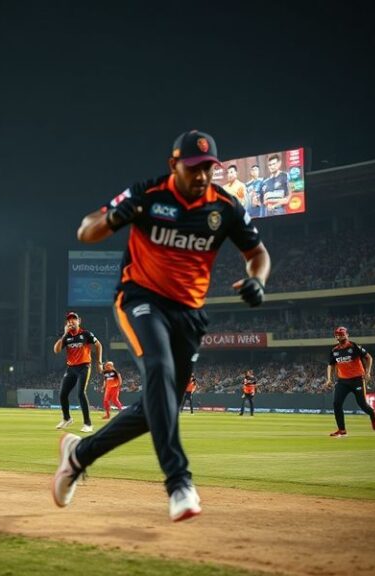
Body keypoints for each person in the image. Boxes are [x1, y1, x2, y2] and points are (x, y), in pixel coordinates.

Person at [52, 129, 270, 522]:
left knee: (159, 404)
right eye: (193, 167)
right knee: (159, 370)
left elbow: (258, 254)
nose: (202, 175)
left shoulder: (225, 206)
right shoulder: (148, 195)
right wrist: (113, 218)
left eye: (208, 168)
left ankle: (79, 455)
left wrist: (257, 279)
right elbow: (87, 229)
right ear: (174, 165)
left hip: (188, 312)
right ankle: (179, 482)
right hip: (140, 299)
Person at [53, 311, 104, 433]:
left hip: (84, 367)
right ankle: (67, 418)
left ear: (79, 321)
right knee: (62, 394)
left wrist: (99, 362)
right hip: (71, 368)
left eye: (74, 319)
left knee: (81, 393)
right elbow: (56, 350)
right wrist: (64, 334)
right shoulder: (67, 336)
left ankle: (88, 424)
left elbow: (98, 345)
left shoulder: (85, 334)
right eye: (69, 320)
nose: (71, 321)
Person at [325, 326, 375, 437]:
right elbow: (331, 365)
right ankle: (342, 430)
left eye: (342, 334)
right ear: (336, 337)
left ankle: (372, 414)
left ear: (347, 335)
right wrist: (329, 379)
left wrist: (368, 372)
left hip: (357, 380)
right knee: (336, 403)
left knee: (362, 404)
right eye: (338, 335)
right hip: (342, 381)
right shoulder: (334, 351)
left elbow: (369, 357)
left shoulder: (353, 346)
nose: (340, 336)